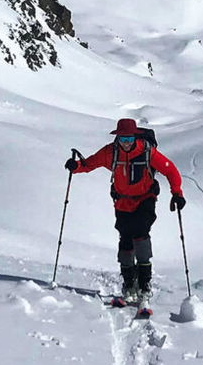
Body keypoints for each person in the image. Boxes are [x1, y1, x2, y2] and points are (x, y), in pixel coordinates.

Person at [66, 118, 184, 304]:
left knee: (141, 234)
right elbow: (89, 164)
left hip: (145, 200)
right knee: (126, 240)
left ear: (135, 137)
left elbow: (171, 170)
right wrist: (76, 167)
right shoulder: (110, 153)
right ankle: (129, 283)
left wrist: (177, 193)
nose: (126, 143)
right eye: (123, 139)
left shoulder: (147, 152)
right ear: (118, 138)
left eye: (129, 139)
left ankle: (144, 284)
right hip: (121, 203)